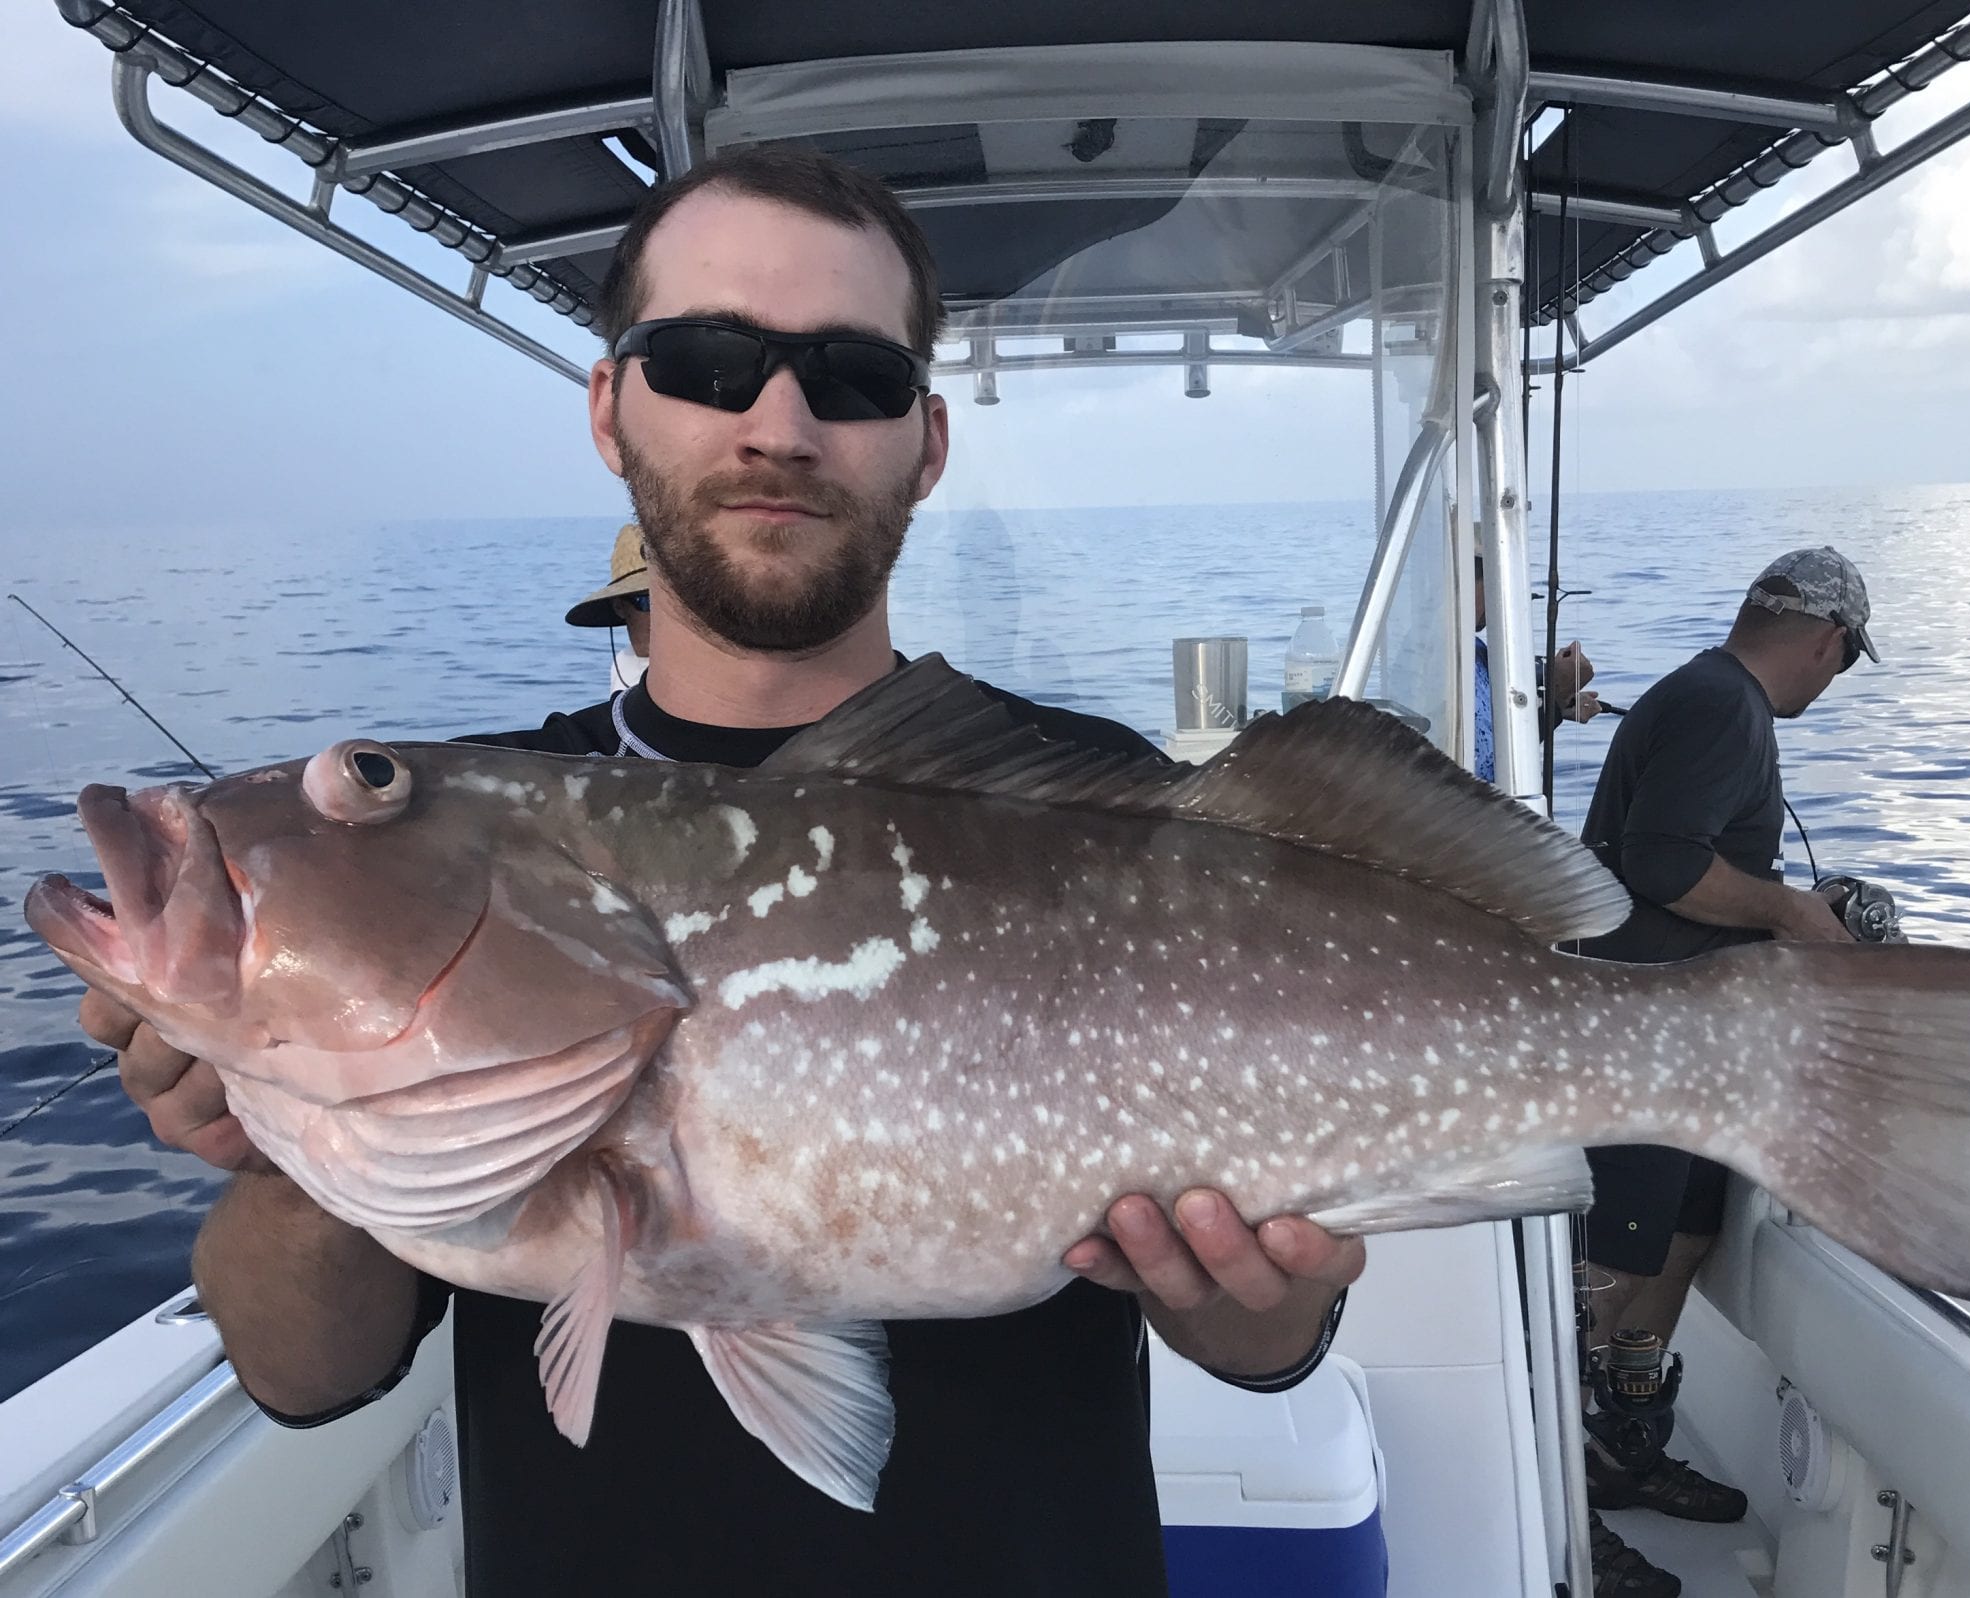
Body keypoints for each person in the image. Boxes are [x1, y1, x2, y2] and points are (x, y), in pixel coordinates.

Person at [80, 146, 1367, 1598]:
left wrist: (1269, 1292)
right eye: (706, 358)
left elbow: (1262, 1347)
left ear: (927, 441)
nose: (779, 420)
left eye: (852, 376)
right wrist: (291, 1113)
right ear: (609, 405)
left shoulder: (1103, 801)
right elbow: (304, 1375)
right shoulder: (497, 802)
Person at [1570, 546, 1877, 1598]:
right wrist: (1794, 912)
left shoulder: (1710, 696)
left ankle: (1621, 1441)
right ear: (1825, 641)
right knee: (1602, 1269)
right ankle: (1566, 1500)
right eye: (1840, 664)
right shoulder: (1719, 705)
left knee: (1686, 1226)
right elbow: (1658, 860)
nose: (1830, 680)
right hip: (1641, 1036)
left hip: (1688, 1041)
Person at [1473, 549, 1601, 784]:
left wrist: (1559, 706)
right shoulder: (1443, 655)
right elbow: (1496, 765)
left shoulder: (1474, 648)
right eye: (1494, 586)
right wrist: (1558, 693)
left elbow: (1499, 723)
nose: (1501, 600)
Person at [565, 521, 652, 691]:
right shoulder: (623, 663)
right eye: (647, 601)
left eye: (674, 599)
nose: (664, 611)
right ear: (619, 606)